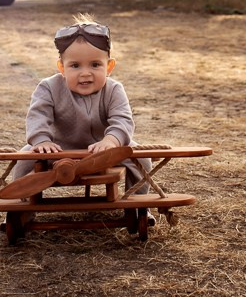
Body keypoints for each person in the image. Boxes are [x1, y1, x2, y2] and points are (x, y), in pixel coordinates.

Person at [10, 15, 151, 193]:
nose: (85, 73)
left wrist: (111, 140)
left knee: (142, 159)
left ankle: (138, 205)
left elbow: (122, 120)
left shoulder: (114, 89)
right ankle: (18, 206)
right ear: (62, 67)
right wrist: (41, 140)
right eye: (75, 66)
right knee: (23, 160)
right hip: (59, 149)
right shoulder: (49, 87)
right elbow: (38, 115)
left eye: (95, 65)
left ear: (109, 67)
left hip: (104, 150)